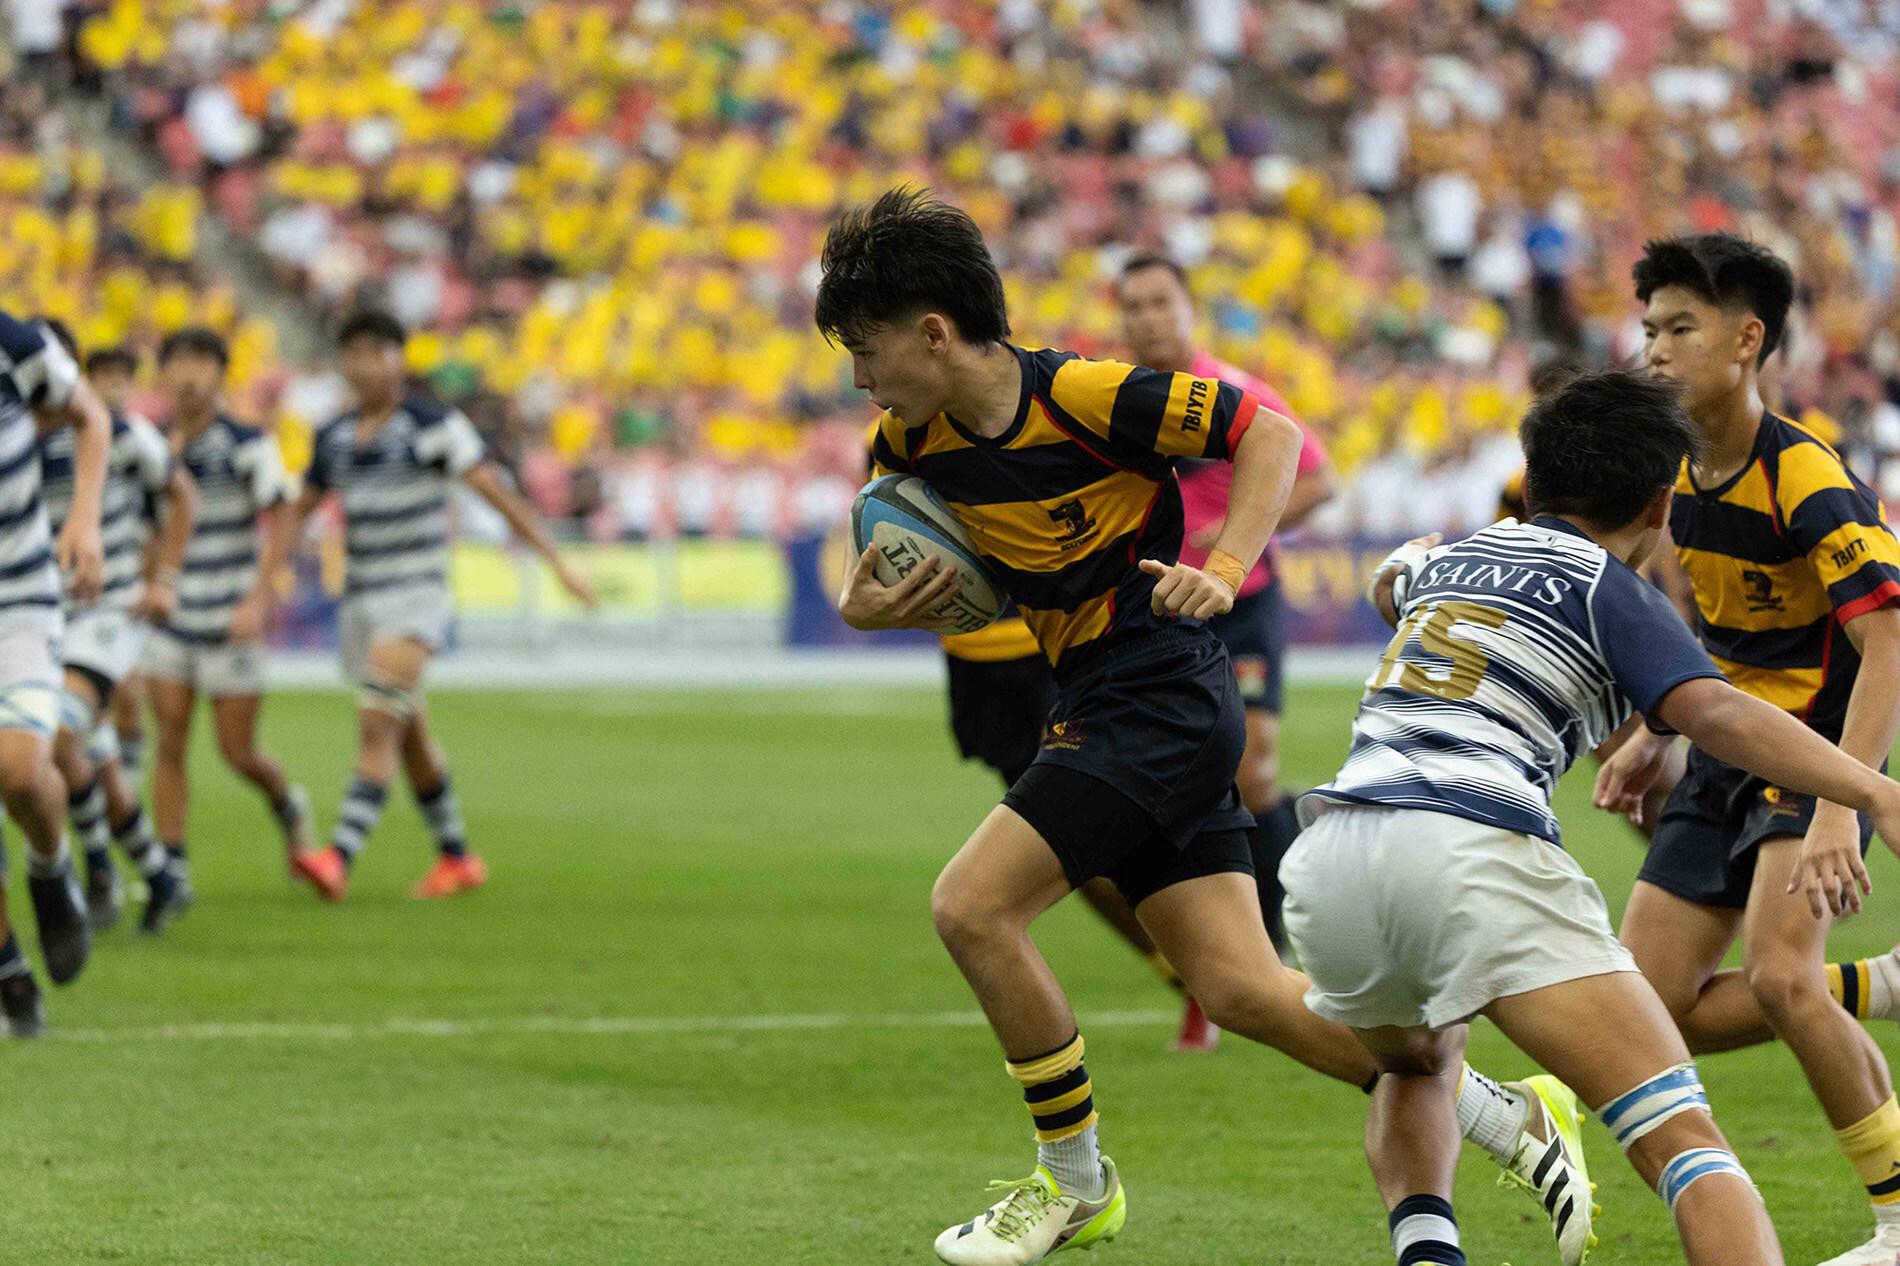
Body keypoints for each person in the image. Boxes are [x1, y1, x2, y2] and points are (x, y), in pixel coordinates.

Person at [820, 188, 1586, 1266]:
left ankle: (1075, 1183)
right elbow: (891, 568)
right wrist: (867, 604)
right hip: (1095, 698)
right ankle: (1508, 1114)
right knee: (1241, 988)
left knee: (971, 909)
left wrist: (1223, 568)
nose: (857, 372)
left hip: (1162, 693)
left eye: (865, 346)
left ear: (932, 333)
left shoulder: (1085, 394)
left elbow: (1269, 432)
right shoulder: (904, 442)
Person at [1278, 368, 1900, 1265]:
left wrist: (1395, 577)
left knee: (1415, 1061)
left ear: (1529, 483)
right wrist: (1867, 787)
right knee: (1681, 1141)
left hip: (1331, 859)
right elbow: (1719, 714)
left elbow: (1392, 577)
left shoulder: (1448, 561)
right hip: (1468, 849)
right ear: (1660, 504)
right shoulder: (1609, 587)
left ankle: (1429, 1250)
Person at [1597, 234, 1900, 1266]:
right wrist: (1652, 730)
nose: (1655, 349)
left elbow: (1887, 642)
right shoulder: (1672, 470)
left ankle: (1899, 1218)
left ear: (1745, 340)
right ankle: (1876, 990)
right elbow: (1689, 621)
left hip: (1814, 746)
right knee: (1647, 1012)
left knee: (1779, 979)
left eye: (1679, 328)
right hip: (1725, 744)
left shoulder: (1806, 476)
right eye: (1649, 329)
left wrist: (1836, 807)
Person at [286, 311, 596, 902]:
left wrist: (557, 564)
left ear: (399, 359)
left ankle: (338, 855)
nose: (363, 365)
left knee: (377, 717)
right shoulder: (333, 437)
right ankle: (456, 857)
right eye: (352, 353)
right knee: (407, 730)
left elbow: (497, 496)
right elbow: (299, 510)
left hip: (415, 592)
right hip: (362, 598)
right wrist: (265, 576)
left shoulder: (430, 425)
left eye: (376, 351)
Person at [1115, 252, 1336, 968]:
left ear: (1188, 311)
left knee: (1254, 776)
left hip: (1243, 603)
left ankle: (1278, 933)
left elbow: (1318, 482)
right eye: (1134, 305)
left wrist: (1234, 535)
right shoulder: (1117, 402)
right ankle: (1276, 899)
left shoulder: (1233, 393)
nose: (1146, 317)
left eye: (1159, 301)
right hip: (1161, 611)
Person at [138, 328, 312, 904]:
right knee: (169, 741)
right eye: (178, 362)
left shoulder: (246, 441)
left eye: (201, 363)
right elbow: (147, 527)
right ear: (162, 374)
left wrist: (260, 598)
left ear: (221, 373)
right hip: (171, 617)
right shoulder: (153, 445)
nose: (189, 375)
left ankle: (288, 806)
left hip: (229, 613)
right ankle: (173, 870)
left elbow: (283, 515)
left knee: (237, 752)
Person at [32, 322, 193, 935]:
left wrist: (166, 579)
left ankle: (97, 869)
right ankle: (158, 877)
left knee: (59, 732)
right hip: (39, 616)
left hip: (110, 609)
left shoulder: (119, 431)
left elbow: (182, 494)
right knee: (93, 759)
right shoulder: (14, 440)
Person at [0, 309, 108, 1035]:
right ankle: (9, 971)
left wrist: (84, 519)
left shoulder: (16, 344)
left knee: (14, 771)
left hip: (18, 600)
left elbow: (89, 415)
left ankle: (50, 862)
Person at [83, 347, 155, 790]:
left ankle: (127, 773)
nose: (113, 384)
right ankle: (110, 777)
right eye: (104, 375)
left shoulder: (138, 438)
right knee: (97, 696)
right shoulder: (77, 432)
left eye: (121, 376)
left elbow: (163, 509)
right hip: (81, 581)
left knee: (126, 687)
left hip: (126, 579)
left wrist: (155, 577)